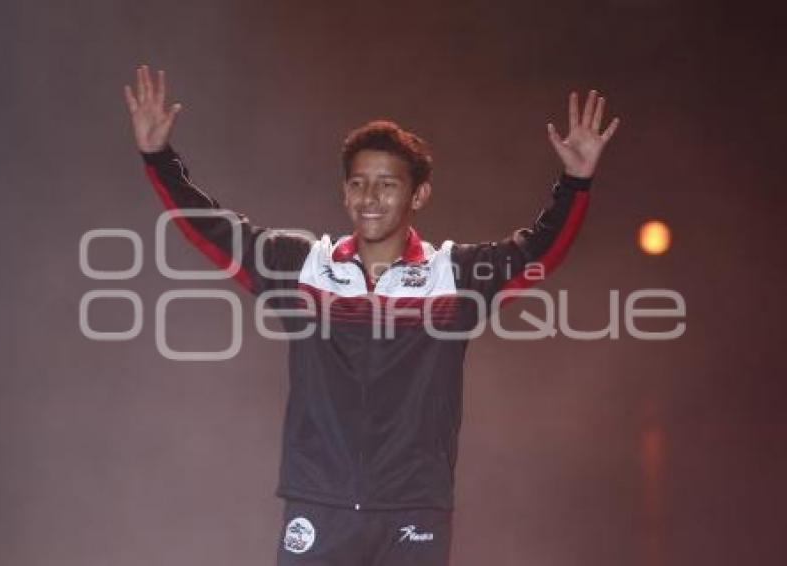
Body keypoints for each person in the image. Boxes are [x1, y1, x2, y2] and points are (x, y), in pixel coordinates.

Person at [123, 64, 620, 566]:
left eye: (387, 184)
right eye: (358, 183)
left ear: (418, 195)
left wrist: (575, 182)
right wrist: (158, 158)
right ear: (344, 192)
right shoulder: (304, 268)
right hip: (319, 505)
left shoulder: (454, 276)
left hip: (413, 512)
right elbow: (213, 229)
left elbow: (538, 251)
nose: (370, 197)